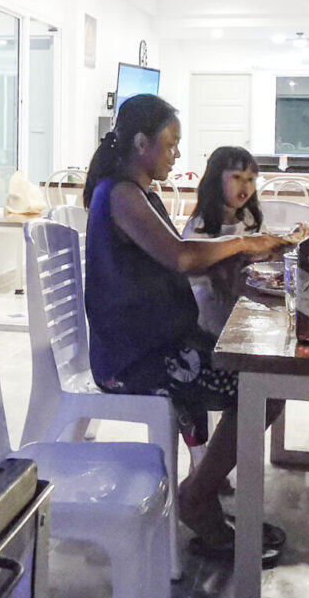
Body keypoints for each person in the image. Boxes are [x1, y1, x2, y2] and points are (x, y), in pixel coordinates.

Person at [83, 96, 288, 561]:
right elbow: (178, 256)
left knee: (259, 377)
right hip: (138, 358)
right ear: (141, 143)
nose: (176, 154)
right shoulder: (121, 194)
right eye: (171, 144)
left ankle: (202, 493)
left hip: (156, 342)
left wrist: (229, 254)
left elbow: (175, 252)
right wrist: (240, 241)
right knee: (264, 390)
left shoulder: (134, 192)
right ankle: (198, 496)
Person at [181, 145, 265, 334]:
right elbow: (191, 271)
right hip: (206, 314)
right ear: (215, 181)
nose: (245, 186)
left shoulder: (249, 220)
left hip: (242, 309)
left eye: (251, 180)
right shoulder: (200, 225)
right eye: (237, 178)